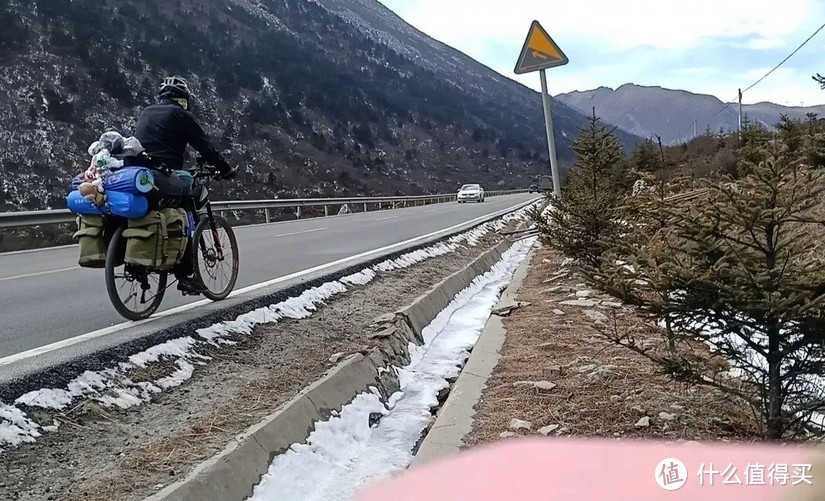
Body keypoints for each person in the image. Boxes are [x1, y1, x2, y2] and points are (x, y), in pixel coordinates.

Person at [134, 75, 237, 295]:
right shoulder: (180, 115)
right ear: (183, 99)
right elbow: (205, 147)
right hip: (164, 176)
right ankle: (187, 274)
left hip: (139, 176)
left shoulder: (146, 112)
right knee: (188, 208)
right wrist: (225, 168)